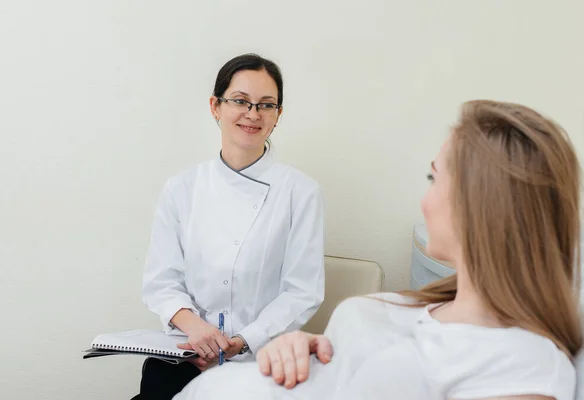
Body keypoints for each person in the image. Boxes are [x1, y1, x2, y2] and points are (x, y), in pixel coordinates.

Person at [175, 100, 581, 400]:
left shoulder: (524, 362)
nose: (425, 200)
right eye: (240, 102)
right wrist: (299, 350)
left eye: (433, 178)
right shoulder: (409, 306)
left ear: (481, 206)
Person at [131, 53, 326, 400]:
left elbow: (302, 291)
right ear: (215, 107)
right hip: (186, 353)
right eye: (240, 101)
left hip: (260, 359)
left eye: (266, 105)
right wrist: (197, 331)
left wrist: (241, 342)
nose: (253, 114)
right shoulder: (181, 188)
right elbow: (161, 281)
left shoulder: (301, 192)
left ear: (278, 115)